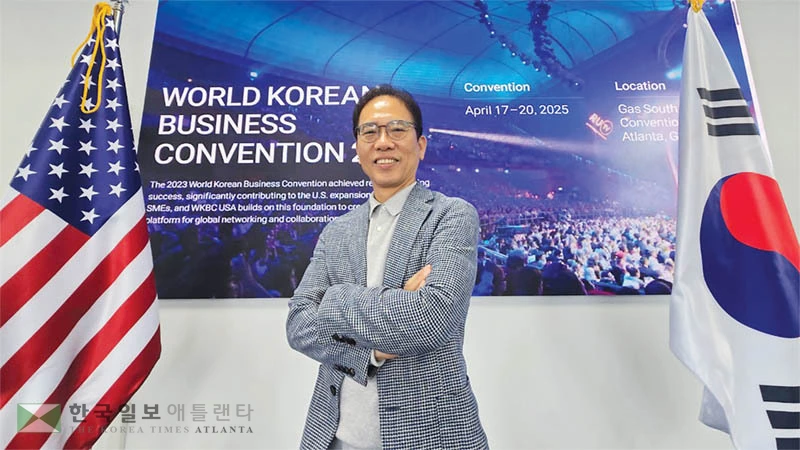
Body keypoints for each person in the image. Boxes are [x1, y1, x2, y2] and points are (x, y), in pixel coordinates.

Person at [286, 85, 488, 449]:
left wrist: (334, 299)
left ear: (420, 145)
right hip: (335, 435)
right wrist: (371, 353)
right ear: (358, 147)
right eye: (370, 132)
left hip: (431, 436)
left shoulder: (451, 215)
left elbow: (432, 319)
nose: (383, 142)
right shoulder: (337, 230)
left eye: (397, 129)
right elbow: (299, 325)